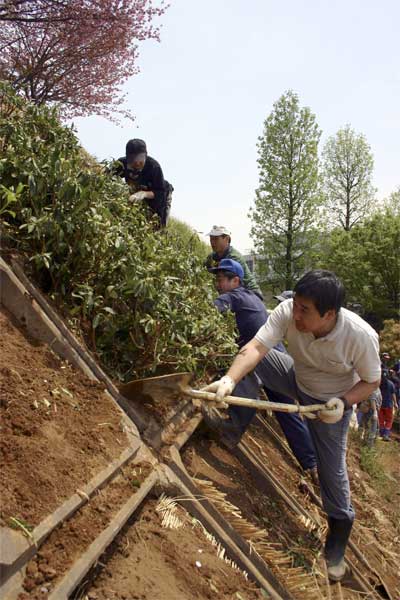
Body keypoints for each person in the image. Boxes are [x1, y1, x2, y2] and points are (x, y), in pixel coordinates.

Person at [204, 269, 381, 582]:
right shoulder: (287, 312)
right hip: (295, 378)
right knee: (258, 359)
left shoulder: (359, 336)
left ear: (329, 314)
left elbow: (371, 380)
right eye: (296, 305)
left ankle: (336, 546)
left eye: (305, 310)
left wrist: (342, 402)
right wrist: (230, 379)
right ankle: (230, 426)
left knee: (332, 473)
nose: (295, 315)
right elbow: (257, 347)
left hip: (328, 405)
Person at [204, 259, 318, 481]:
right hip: (278, 357)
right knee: (287, 412)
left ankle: (229, 431)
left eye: (220, 280)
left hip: (262, 359)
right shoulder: (253, 298)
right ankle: (312, 464)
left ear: (235, 280)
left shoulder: (233, 296)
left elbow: (206, 315)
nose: (217, 285)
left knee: (245, 375)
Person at [114, 139, 173, 227]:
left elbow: (160, 193)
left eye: (141, 159)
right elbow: (107, 174)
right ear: (128, 158)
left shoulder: (154, 167)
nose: (137, 163)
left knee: (158, 225)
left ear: (145, 155)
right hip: (139, 189)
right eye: (133, 159)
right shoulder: (122, 164)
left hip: (161, 193)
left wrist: (144, 194)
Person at [205, 226, 263, 299]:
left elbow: (228, 284)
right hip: (236, 293)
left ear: (227, 239)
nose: (212, 242)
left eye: (216, 239)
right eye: (211, 239)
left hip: (251, 293)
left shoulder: (233, 258)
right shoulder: (212, 257)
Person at [378, 369, 398, 441]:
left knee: (381, 419)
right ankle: (386, 435)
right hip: (388, 405)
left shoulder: (378, 383)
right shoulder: (391, 384)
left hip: (380, 404)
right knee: (389, 420)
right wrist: (395, 403)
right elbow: (393, 394)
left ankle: (381, 433)